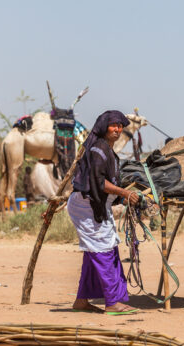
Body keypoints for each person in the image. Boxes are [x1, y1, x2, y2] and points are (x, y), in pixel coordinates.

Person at [67, 110, 140, 315]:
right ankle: (112, 302)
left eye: (120, 126)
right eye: (113, 125)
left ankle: (81, 301)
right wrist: (124, 193)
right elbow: (98, 182)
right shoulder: (98, 149)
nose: (117, 129)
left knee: (98, 250)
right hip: (87, 206)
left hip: (97, 205)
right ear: (104, 127)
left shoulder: (106, 149)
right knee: (104, 251)